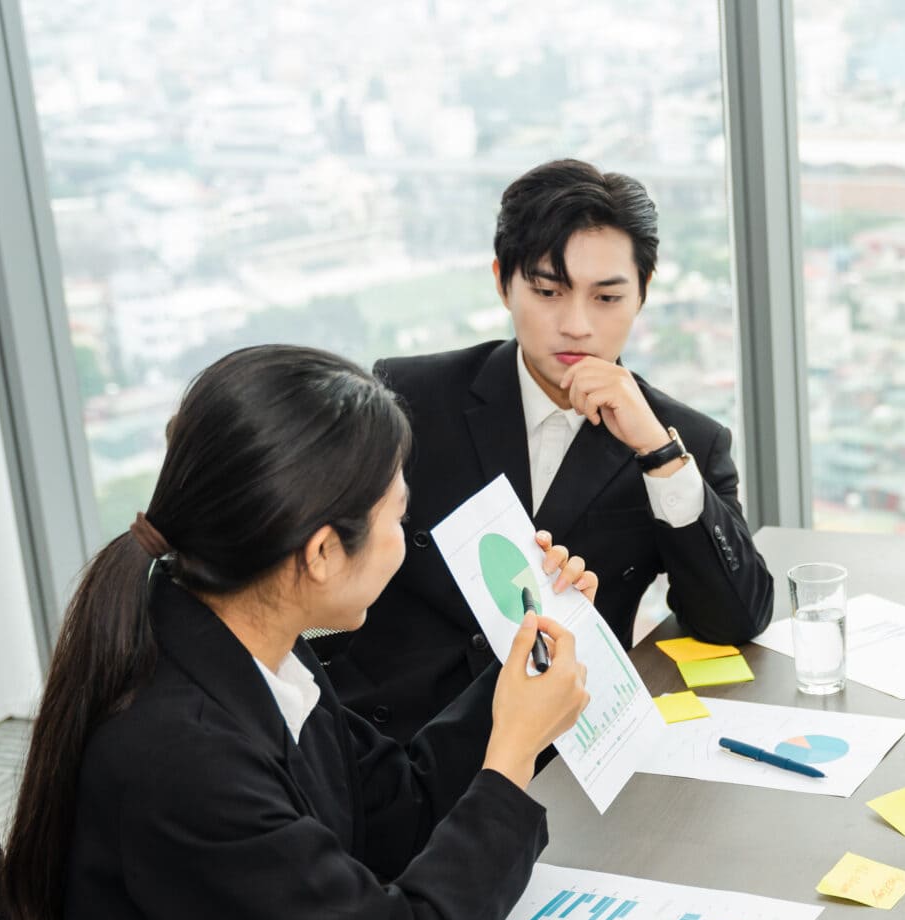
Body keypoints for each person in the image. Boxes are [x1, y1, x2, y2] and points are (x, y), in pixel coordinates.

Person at [0, 346, 595, 920]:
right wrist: (512, 755)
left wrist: (522, 672)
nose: (406, 537)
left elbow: (400, 810)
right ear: (319, 553)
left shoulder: (253, 645)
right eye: (395, 516)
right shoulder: (180, 754)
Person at [316, 158, 772, 741]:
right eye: (548, 291)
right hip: (394, 739)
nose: (576, 325)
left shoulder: (685, 442)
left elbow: (737, 618)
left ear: (643, 294)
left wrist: (657, 452)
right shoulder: (412, 397)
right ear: (502, 280)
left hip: (568, 751)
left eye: (607, 298)